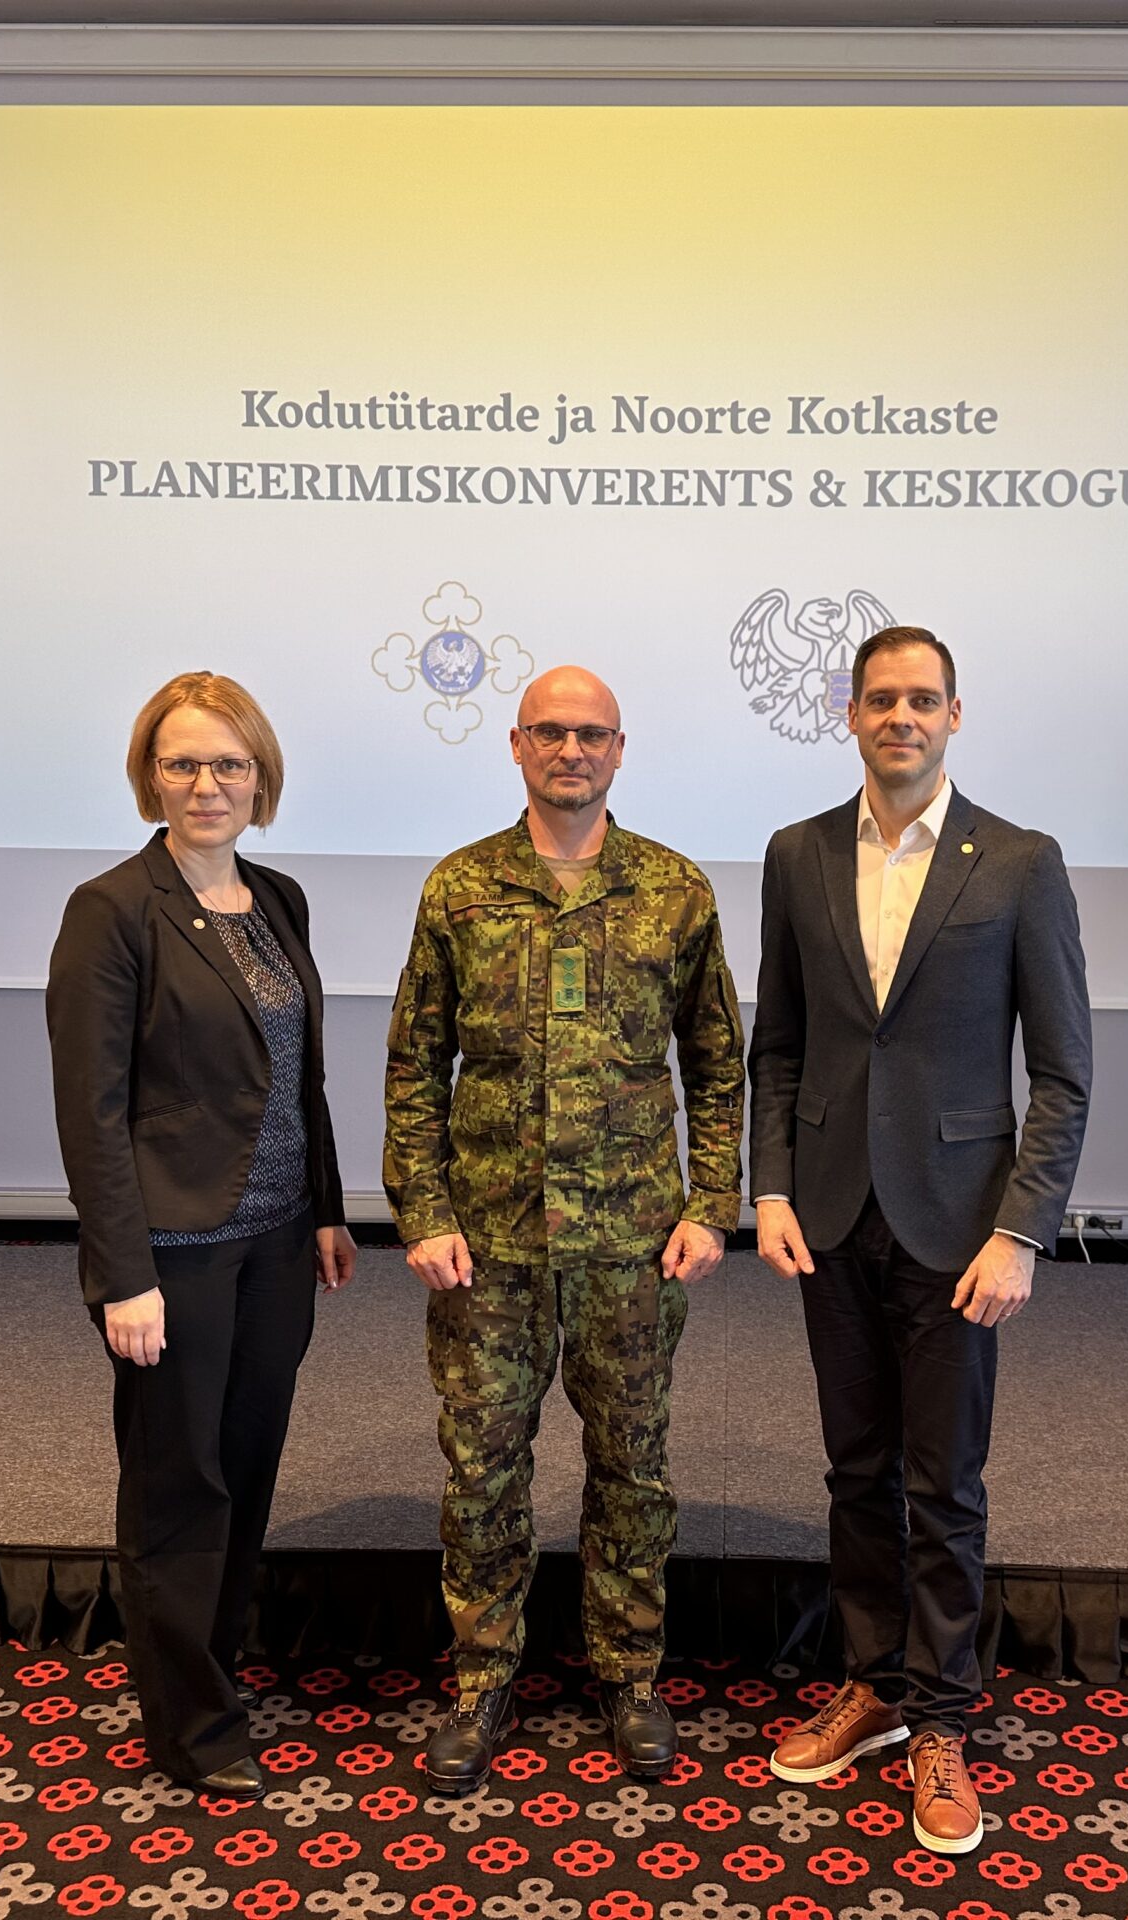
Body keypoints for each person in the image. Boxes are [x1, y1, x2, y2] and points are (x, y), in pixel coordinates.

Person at [748, 627, 1091, 1854]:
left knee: (944, 1485)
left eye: (923, 700)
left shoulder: (1020, 862)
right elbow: (779, 1045)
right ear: (849, 714)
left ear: (954, 715)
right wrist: (769, 1188)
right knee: (856, 1473)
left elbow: (1063, 1074)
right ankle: (874, 1689)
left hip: (960, 1230)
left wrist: (1021, 1232)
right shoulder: (795, 854)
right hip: (829, 1217)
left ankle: (941, 1719)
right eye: (881, 699)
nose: (901, 717)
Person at [384, 665, 746, 1794]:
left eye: (592, 734)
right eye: (550, 732)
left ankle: (629, 1677)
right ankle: (482, 1679)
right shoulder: (460, 888)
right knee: (482, 1470)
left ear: (620, 749)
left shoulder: (675, 891)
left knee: (632, 1467)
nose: (571, 751)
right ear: (516, 744)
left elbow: (718, 1066)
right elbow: (413, 1066)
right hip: (487, 1247)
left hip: (631, 1246)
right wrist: (423, 1210)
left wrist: (711, 1204)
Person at [46, 670, 358, 1802]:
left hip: (276, 1242)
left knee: (247, 1466)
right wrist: (122, 1274)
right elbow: (91, 1110)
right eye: (181, 763)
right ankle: (189, 1725)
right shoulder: (112, 909)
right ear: (150, 776)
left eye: (229, 763)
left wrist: (326, 1206)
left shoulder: (277, 898)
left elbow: (298, 1076)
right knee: (179, 1486)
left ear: (260, 776)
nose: (206, 784)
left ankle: (213, 1667)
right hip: (173, 1251)